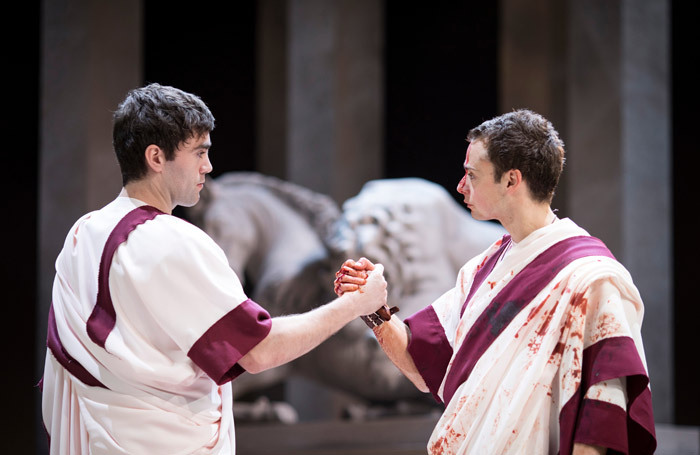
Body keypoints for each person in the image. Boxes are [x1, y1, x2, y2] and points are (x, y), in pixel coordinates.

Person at [40, 83, 388, 455]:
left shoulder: (80, 236)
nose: (208, 166)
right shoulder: (174, 240)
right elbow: (258, 352)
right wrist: (355, 304)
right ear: (156, 157)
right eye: (199, 152)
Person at [335, 109, 656, 455]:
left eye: (472, 175)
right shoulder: (482, 269)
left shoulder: (592, 278)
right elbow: (422, 361)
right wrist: (372, 309)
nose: (460, 186)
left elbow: (600, 416)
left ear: (511, 180)